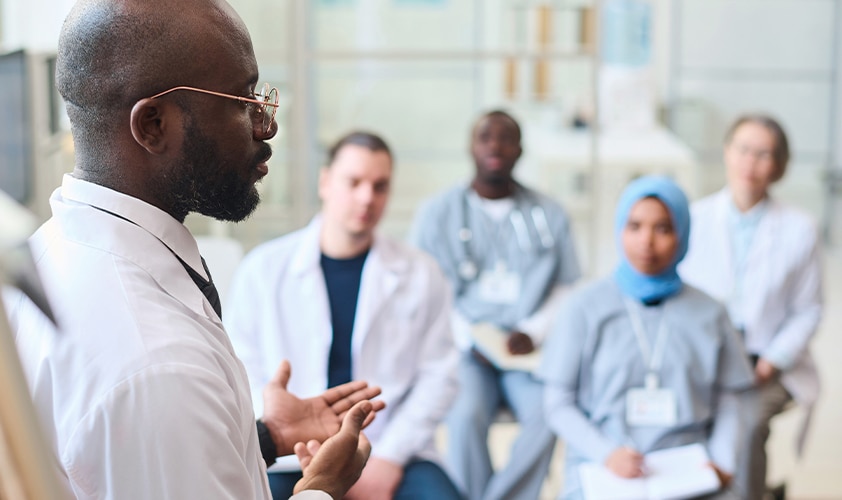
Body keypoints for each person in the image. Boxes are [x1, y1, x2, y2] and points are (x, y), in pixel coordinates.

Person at [5, 0, 385, 498]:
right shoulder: (158, 364)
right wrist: (320, 488)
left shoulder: (52, 252)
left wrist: (265, 437)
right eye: (242, 99)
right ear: (153, 125)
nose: (266, 126)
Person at [225, 131, 462, 500]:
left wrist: (389, 458)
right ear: (325, 182)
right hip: (291, 452)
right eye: (354, 182)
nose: (367, 197)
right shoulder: (263, 270)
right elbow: (240, 368)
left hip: (390, 450)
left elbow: (439, 375)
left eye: (380, 186)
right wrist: (286, 436)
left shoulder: (421, 273)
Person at [541, 176, 755, 500]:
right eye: (634, 226)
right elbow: (558, 402)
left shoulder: (710, 313)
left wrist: (722, 462)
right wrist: (607, 454)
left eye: (663, 229)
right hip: (603, 466)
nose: (646, 241)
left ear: (682, 234)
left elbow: (731, 400)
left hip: (687, 467)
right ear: (619, 230)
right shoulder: (583, 307)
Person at [411, 110, 581, 500]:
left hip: (527, 350)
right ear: (470, 146)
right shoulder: (437, 214)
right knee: (464, 414)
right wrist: (471, 338)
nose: (495, 146)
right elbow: (424, 289)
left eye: (507, 138)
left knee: (547, 414)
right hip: (465, 348)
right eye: (486, 137)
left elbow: (566, 285)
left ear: (520, 150)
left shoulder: (550, 214)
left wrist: (533, 331)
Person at [680, 115, 823, 499]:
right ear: (727, 152)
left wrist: (772, 361)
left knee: (748, 424)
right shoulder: (695, 218)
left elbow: (808, 310)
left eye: (763, 154)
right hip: (706, 357)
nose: (750, 162)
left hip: (768, 362)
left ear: (779, 165)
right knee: (684, 419)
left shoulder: (800, 228)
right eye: (743, 150)